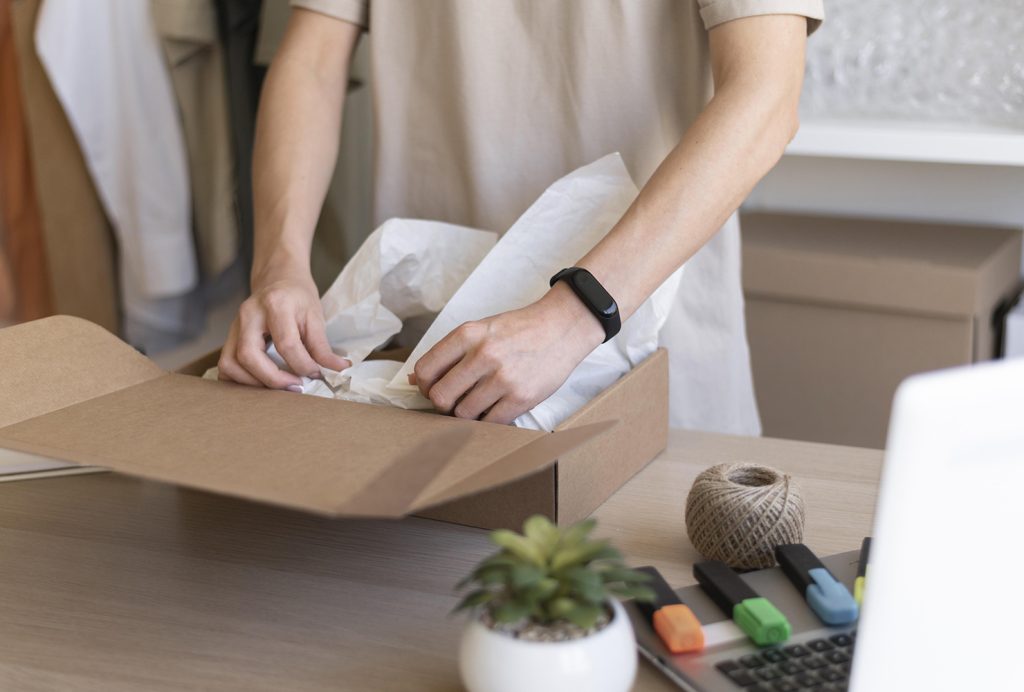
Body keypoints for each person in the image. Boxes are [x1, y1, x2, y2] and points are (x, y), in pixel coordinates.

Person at [218, 0, 823, 432]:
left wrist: (576, 312)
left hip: (643, 348)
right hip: (430, 358)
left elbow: (766, 93)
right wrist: (279, 265)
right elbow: (313, 61)